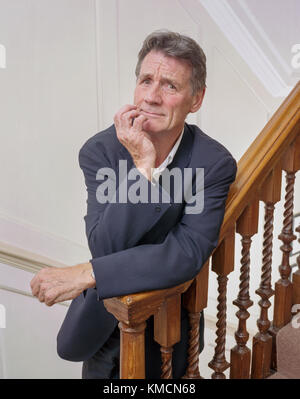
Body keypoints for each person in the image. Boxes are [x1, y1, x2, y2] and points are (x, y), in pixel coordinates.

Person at [30, 30, 237, 379]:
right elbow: (104, 245)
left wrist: (89, 273)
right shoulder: (101, 151)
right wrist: (143, 168)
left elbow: (186, 254)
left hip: (169, 331)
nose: (152, 97)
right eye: (146, 81)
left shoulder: (213, 163)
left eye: (170, 85)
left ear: (196, 99)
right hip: (101, 325)